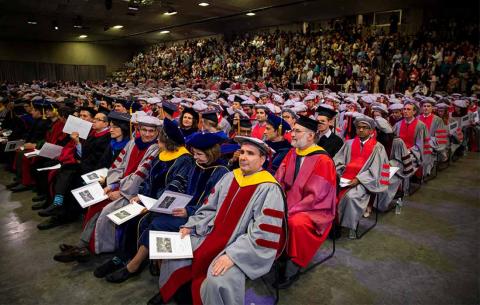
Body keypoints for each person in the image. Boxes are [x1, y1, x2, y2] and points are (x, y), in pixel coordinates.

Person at [148, 136, 285, 305]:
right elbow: (209, 208)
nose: (243, 157)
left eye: (250, 153)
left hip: (238, 247)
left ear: (262, 159)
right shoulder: (230, 177)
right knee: (172, 251)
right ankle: (172, 291)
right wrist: (191, 226)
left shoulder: (269, 189)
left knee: (216, 281)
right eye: (242, 152)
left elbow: (263, 234)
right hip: (210, 233)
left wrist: (233, 256)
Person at [103, 131, 229, 283]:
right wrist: (167, 201)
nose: (195, 157)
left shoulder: (222, 173)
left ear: (211, 153)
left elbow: (214, 204)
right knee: (151, 216)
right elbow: (181, 183)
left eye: (199, 154)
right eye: (194, 153)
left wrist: (188, 211)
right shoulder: (197, 164)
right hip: (180, 207)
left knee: (158, 223)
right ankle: (145, 260)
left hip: (200, 218)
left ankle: (135, 265)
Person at [94, 117, 196, 280]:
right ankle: (121, 257)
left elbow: (175, 189)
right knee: (130, 215)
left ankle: (132, 263)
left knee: (139, 221)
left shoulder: (184, 160)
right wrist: (140, 195)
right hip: (150, 200)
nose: (157, 140)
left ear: (166, 140)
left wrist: (154, 205)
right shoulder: (162, 154)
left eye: (160, 138)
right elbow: (148, 180)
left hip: (166, 206)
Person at [53, 115, 160, 262]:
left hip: (134, 193)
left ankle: (90, 248)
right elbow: (119, 165)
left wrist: (121, 192)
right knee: (94, 205)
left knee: (106, 211)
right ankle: (82, 245)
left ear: (157, 132)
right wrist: (111, 185)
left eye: (151, 131)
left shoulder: (155, 149)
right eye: (144, 130)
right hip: (121, 187)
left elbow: (139, 176)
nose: (147, 134)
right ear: (138, 129)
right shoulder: (133, 143)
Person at [274, 115, 337, 288]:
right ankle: (276, 256)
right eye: (292, 130)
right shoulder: (292, 152)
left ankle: (291, 268)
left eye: (297, 131)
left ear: (310, 136)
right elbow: (279, 179)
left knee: (294, 223)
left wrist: (291, 209)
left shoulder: (323, 160)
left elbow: (317, 197)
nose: (292, 135)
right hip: (289, 203)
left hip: (314, 210)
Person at [333, 115, 389, 238]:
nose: (361, 130)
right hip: (344, 179)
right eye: (359, 127)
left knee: (351, 197)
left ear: (371, 131)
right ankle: (332, 223)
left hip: (365, 182)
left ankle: (347, 225)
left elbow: (377, 169)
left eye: (365, 128)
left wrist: (358, 179)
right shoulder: (348, 144)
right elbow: (338, 161)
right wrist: (339, 173)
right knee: (329, 193)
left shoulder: (377, 147)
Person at [393, 101, 428, 174]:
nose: (405, 111)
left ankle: (404, 183)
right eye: (404, 109)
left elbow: (420, 145)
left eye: (408, 109)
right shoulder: (398, 124)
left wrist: (408, 152)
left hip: (413, 153)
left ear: (414, 112)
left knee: (401, 164)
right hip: (397, 152)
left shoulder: (420, 126)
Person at [418, 98, 448, 176]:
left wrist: (428, 142)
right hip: (417, 144)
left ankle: (424, 173)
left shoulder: (438, 120)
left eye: (428, 106)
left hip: (431, 144)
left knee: (426, 154)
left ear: (432, 108)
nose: (426, 108)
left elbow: (440, 137)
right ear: (421, 107)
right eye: (424, 106)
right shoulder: (417, 118)